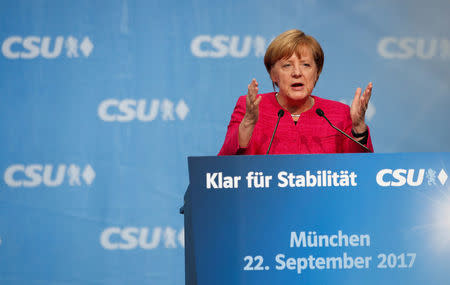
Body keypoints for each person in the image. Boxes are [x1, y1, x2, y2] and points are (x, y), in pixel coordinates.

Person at [218, 29, 374, 155]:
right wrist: (249, 123)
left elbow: (359, 172)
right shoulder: (251, 107)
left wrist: (359, 128)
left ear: (316, 73)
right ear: (273, 74)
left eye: (306, 65)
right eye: (287, 65)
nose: (297, 72)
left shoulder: (338, 114)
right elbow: (223, 168)